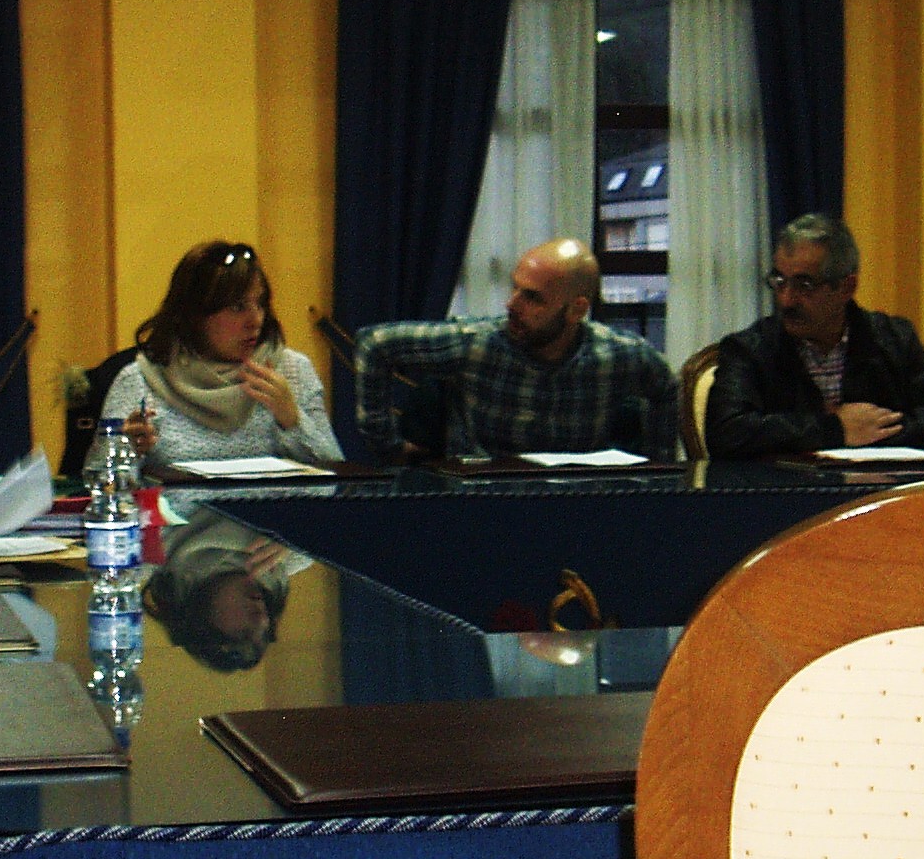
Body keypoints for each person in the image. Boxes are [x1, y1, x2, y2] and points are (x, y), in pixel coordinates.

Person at [354, 240, 677, 461]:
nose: (512, 304)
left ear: (576, 309)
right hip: (484, 501)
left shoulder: (616, 355)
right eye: (515, 287)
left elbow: (666, 387)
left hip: (577, 504)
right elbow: (374, 343)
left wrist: (656, 468)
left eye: (532, 297)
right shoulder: (478, 343)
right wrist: (388, 446)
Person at [706, 213, 924, 459]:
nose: (786, 300)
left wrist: (872, 430)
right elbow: (726, 433)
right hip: (786, 494)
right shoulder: (749, 349)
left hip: (879, 493)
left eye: (804, 285)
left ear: (847, 287)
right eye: (779, 281)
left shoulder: (893, 340)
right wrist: (835, 429)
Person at [103, 240, 342, 471]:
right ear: (196, 315)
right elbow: (102, 480)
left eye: (260, 304)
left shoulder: (293, 370)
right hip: (176, 501)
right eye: (238, 307)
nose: (255, 320)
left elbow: (339, 478)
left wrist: (293, 420)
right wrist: (128, 451)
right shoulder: (139, 381)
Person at [142, 509, 311, 671]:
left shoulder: (143, 545)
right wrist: (301, 524)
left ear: (200, 624)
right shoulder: (297, 554)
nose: (262, 619)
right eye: (265, 632)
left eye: (243, 632)